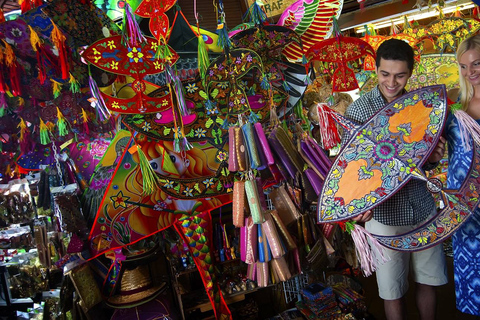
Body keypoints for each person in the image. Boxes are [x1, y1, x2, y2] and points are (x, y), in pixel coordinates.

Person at [343, 39, 448, 320]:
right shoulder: (359, 111)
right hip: (384, 213)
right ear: (375, 70)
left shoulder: (421, 107)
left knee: (428, 280)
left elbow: (425, 157)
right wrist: (357, 207)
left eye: (400, 75)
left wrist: (435, 156)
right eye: (385, 73)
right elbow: (350, 168)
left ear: (410, 73)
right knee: (392, 290)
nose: (392, 82)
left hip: (422, 206)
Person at [445, 34, 480, 318]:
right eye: (465, 66)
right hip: (464, 206)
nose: (472, 72)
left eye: (478, 63)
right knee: (471, 281)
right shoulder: (457, 108)